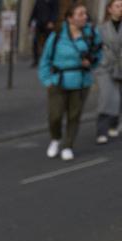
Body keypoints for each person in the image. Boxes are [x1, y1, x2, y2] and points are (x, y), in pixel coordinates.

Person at [39, 2, 103, 160]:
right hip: (58, 81)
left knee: (74, 115)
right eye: (80, 14)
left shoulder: (91, 34)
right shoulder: (58, 35)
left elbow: (98, 53)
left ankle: (68, 145)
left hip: (81, 81)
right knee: (54, 115)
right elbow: (45, 59)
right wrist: (47, 80)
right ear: (70, 18)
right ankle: (56, 139)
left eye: (85, 14)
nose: (85, 17)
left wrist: (92, 62)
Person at [95, 0, 122, 143]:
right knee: (106, 98)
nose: (121, 9)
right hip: (106, 67)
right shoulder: (102, 28)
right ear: (110, 9)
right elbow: (96, 48)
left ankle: (114, 124)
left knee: (119, 98)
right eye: (118, 6)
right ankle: (101, 131)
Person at [30, 0, 60, 67]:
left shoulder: (54, 1)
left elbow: (55, 11)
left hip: (48, 24)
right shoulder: (39, 1)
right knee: (35, 42)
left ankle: (50, 60)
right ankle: (36, 60)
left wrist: (52, 21)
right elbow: (34, 11)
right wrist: (31, 22)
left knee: (49, 42)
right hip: (39, 24)